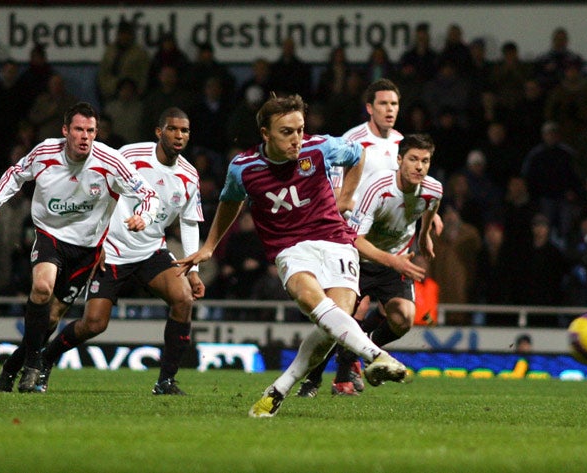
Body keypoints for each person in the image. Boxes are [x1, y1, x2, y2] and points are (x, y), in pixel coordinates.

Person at [173, 93, 410, 418]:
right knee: (313, 301)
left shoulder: (320, 147)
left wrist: (345, 196)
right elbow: (230, 200)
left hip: (336, 242)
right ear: (266, 134)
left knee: (334, 324)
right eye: (287, 132)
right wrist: (210, 245)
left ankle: (279, 389)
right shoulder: (244, 167)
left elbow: (357, 154)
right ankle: (376, 355)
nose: (297, 139)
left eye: (299, 129)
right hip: (291, 249)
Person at [0, 102, 160, 393]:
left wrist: (144, 215)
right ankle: (34, 365)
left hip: (87, 248)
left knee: (49, 319)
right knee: (41, 289)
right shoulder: (45, 152)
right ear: (65, 131)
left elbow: (148, 194)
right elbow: (15, 175)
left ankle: (12, 366)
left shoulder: (110, 161)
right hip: (51, 235)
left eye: (90, 130)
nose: (85, 136)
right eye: (78, 129)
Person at [37, 107, 204, 394]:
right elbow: (97, 186)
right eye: (173, 129)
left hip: (152, 251)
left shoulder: (189, 175)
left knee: (183, 299)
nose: (179, 136)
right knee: (94, 324)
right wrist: (95, 241)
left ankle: (165, 381)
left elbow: (189, 222)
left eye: (184, 130)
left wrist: (194, 270)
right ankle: (46, 359)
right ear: (158, 132)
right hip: (111, 251)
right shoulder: (129, 155)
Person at [298, 134, 442, 397]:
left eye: (425, 161)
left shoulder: (433, 189)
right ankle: (312, 380)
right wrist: (394, 261)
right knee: (338, 321)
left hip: (395, 260)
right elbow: (355, 239)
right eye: (413, 159)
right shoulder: (378, 187)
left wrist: (424, 238)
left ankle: (357, 350)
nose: (419, 166)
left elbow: (430, 209)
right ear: (399, 160)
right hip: (360, 258)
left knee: (403, 318)